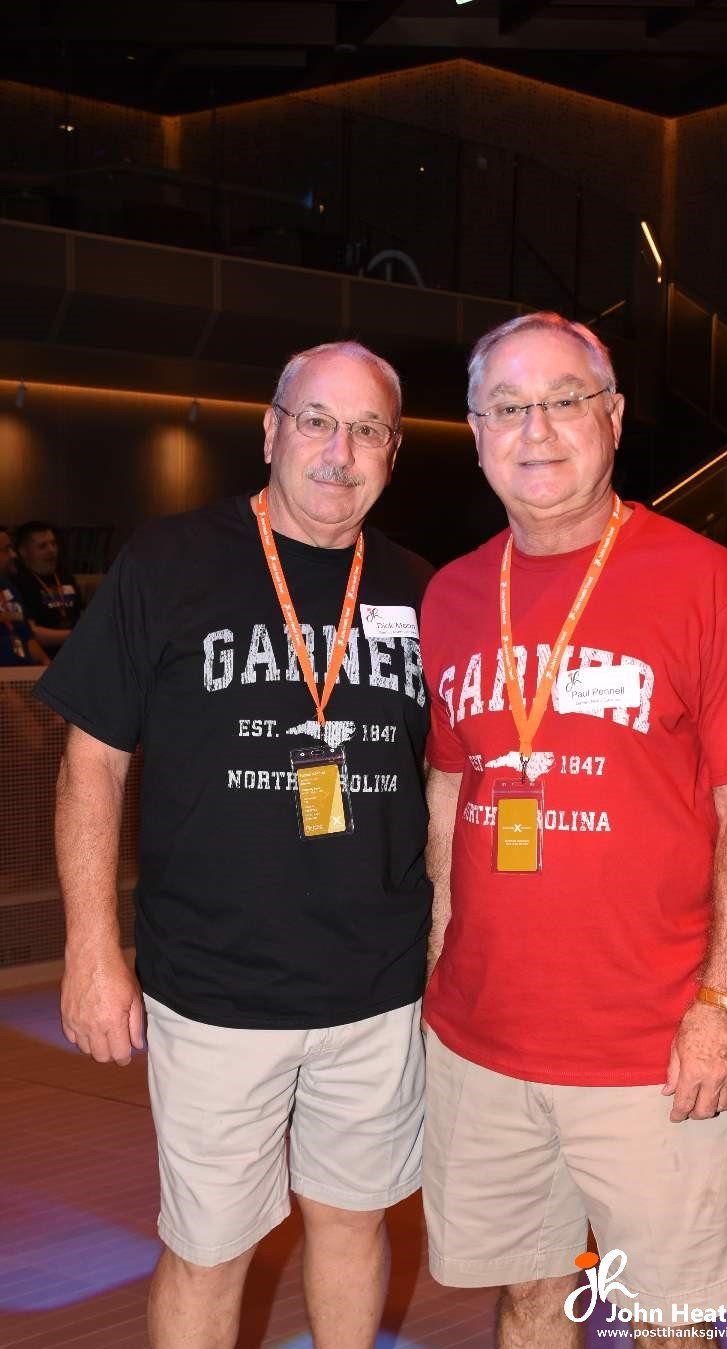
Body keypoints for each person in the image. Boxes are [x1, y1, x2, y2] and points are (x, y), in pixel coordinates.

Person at [419, 313, 727, 1348]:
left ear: (614, 416)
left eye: (564, 399)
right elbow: (451, 792)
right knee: (529, 1299)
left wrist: (723, 1004)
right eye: (507, 405)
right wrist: (436, 962)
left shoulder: (706, 581)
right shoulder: (456, 595)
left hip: (654, 1049)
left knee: (669, 1323)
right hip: (485, 1043)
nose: (536, 427)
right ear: (473, 429)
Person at [34, 342, 432, 1349]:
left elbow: (448, 783)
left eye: (369, 429)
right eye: (316, 420)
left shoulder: (427, 590)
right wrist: (92, 947)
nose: (340, 451)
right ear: (270, 430)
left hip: (380, 988)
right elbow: (94, 763)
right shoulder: (170, 562)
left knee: (353, 1219)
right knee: (210, 1247)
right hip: (212, 985)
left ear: (393, 450)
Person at [14, 520, 83, 653]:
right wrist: (77, 635)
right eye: (42, 546)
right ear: (24, 552)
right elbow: (31, 634)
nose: (51, 550)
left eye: (53, 544)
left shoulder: (65, 576)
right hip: (45, 656)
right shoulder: (19, 583)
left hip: (76, 651)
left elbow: (81, 615)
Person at [1, 525, 48, 666]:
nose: (14, 555)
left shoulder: (8, 588)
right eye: (6, 549)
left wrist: (46, 665)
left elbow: (27, 637)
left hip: (23, 678)